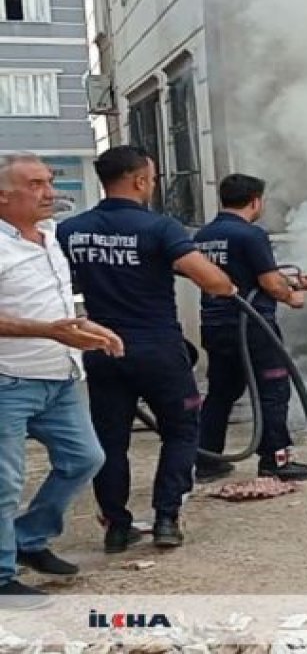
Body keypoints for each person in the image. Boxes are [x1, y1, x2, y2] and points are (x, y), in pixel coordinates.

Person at [57, 146, 234, 552]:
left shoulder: (71, 231)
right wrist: (227, 283)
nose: (152, 185)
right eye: (151, 178)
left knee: (110, 440)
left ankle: (117, 527)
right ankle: (167, 519)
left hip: (101, 348)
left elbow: (66, 283)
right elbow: (214, 283)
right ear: (139, 180)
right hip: (158, 349)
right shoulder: (160, 228)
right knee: (181, 431)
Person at [0, 153, 121, 606]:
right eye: (35, 184)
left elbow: (54, 309)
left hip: (61, 375)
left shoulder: (49, 238)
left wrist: (82, 328)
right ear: (3, 196)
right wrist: (49, 330)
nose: (49, 192)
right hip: (9, 379)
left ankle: (29, 538)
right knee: (4, 483)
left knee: (85, 459)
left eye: (49, 182)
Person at [193, 174, 307, 482]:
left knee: (221, 392)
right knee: (273, 390)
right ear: (255, 201)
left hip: (216, 325)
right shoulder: (251, 235)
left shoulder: (203, 236)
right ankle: (275, 460)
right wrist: (293, 296)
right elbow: (269, 283)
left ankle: (207, 460)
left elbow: (245, 274)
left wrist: (291, 279)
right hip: (253, 326)